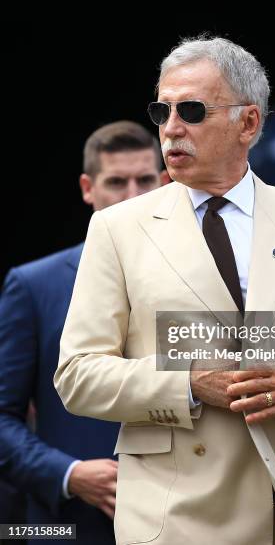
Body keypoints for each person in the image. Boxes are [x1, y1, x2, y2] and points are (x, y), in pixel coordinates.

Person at [55, 37, 275, 545]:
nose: (170, 128)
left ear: (248, 123)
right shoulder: (116, 228)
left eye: (190, 110)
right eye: (162, 111)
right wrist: (188, 381)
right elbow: (77, 374)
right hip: (171, 521)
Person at [0, 120, 168, 545]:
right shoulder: (33, 286)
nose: (133, 195)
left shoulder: (205, 281)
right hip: (68, 527)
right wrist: (69, 474)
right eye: (116, 182)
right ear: (87, 188)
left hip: (181, 520)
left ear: (166, 183)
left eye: (145, 180)